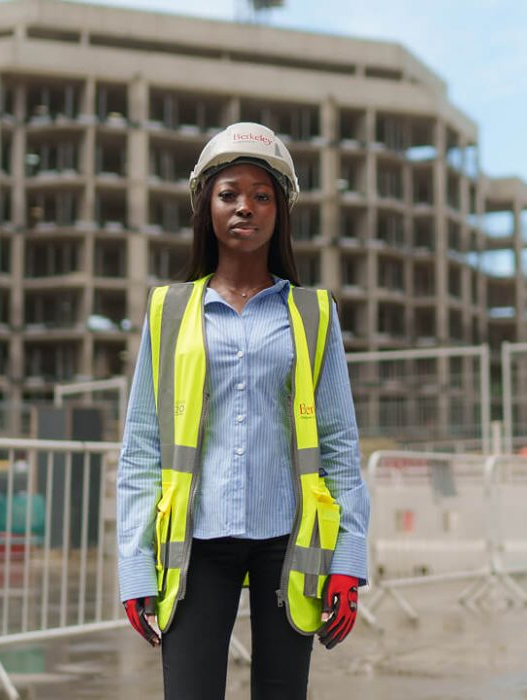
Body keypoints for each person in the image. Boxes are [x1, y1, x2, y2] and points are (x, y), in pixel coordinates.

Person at [117, 122, 370, 700]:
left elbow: (337, 443)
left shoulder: (312, 314)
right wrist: (134, 564)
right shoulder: (169, 311)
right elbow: (141, 448)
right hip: (197, 543)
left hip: (291, 541)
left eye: (262, 196)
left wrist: (349, 561)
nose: (245, 208)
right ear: (206, 204)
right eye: (229, 192)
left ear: (280, 212)